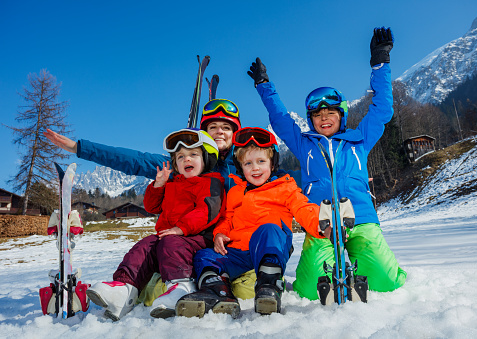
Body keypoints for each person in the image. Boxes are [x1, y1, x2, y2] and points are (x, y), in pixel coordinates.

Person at [247, 27, 406, 301]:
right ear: (311, 120)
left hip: (361, 218)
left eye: (331, 112)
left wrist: (380, 63)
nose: (324, 118)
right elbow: (281, 119)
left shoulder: (360, 139)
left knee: (386, 280)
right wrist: (264, 86)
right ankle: (331, 270)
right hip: (320, 221)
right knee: (309, 289)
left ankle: (360, 268)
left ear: (341, 115)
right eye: (317, 115)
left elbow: (382, 110)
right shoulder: (304, 143)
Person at [175, 127, 324, 318]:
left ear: (272, 163)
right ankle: (217, 291)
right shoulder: (235, 192)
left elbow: (304, 209)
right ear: (240, 167)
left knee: (269, 229)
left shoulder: (285, 187)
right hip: (238, 251)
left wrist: (320, 223)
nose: (255, 168)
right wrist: (219, 234)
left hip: (269, 248)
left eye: (261, 161)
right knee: (205, 255)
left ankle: (269, 286)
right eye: (248, 163)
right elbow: (227, 218)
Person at [85, 129, 226, 321]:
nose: (187, 159)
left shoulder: (211, 182)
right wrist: (158, 186)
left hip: (198, 238)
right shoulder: (173, 183)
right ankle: (124, 289)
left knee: (171, 243)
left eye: (194, 154)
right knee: (145, 245)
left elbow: (206, 211)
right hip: (170, 238)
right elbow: (152, 207)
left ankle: (181, 287)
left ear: (206, 159)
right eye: (180, 156)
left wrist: (181, 229)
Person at [43, 98, 241, 192]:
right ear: (204, 134)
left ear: (235, 133)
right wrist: (79, 148)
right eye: (213, 127)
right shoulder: (189, 162)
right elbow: (137, 160)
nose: (219, 132)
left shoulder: (246, 163)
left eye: (226, 127)